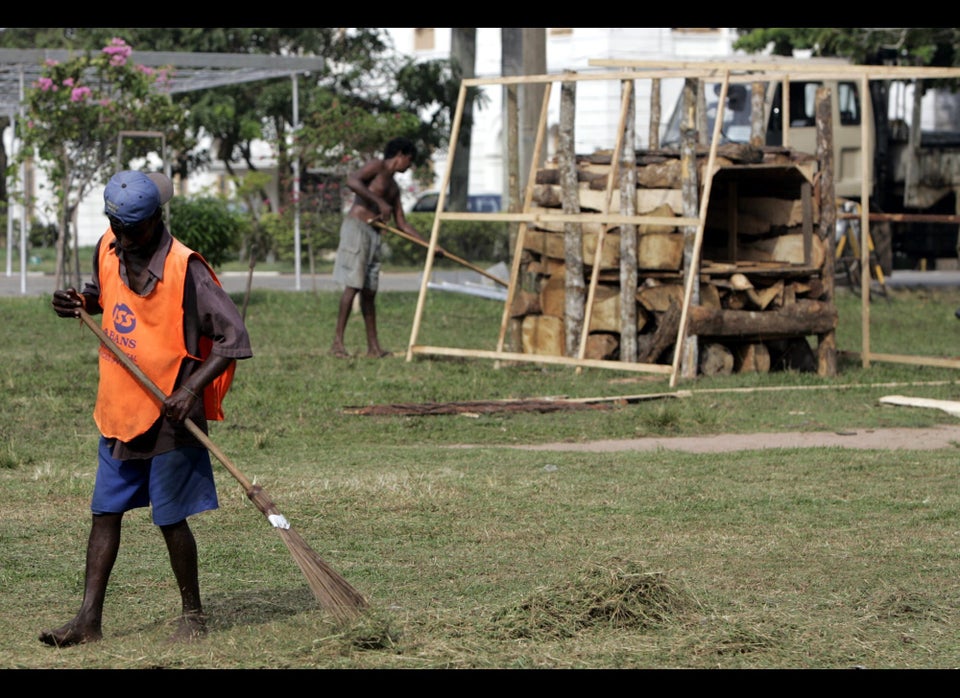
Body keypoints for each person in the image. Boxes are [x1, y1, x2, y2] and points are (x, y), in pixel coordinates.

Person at [42, 170, 253, 647]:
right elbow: (101, 295)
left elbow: (234, 338)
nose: (122, 239)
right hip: (119, 407)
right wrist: (80, 301)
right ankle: (87, 621)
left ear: (156, 219)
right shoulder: (109, 245)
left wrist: (191, 390)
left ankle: (193, 615)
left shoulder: (187, 269)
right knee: (105, 513)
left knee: (169, 518)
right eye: (115, 226)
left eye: (131, 230)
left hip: (169, 415)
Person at [329, 136, 439, 358]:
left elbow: (402, 223)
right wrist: (378, 202)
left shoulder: (394, 188)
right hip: (357, 228)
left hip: (374, 236)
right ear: (400, 156)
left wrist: (429, 245)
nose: (408, 167)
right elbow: (352, 181)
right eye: (409, 161)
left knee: (369, 292)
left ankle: (373, 347)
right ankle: (337, 344)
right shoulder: (376, 166)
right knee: (353, 286)